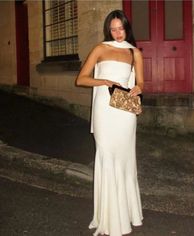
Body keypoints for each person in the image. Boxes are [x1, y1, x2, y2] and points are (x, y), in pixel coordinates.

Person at [75, 9, 144, 236]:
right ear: (108, 29)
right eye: (113, 29)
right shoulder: (100, 49)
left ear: (127, 27)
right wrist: (103, 80)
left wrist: (138, 88)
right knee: (106, 155)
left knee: (124, 159)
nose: (117, 33)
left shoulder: (135, 53)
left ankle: (127, 214)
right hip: (105, 109)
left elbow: (141, 83)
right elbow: (81, 79)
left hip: (124, 110)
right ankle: (108, 219)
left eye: (121, 28)